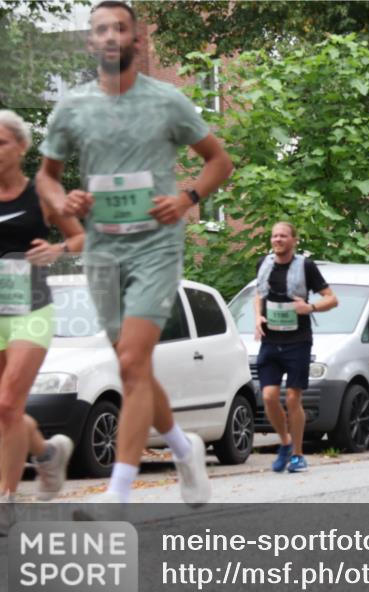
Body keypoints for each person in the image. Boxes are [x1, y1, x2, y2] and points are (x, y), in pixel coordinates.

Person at [36, 0, 234, 506]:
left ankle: (119, 491)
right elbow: (47, 178)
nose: (110, 36)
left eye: (119, 28)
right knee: (135, 368)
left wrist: (188, 198)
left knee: (130, 357)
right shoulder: (73, 108)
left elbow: (219, 161)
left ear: (135, 40)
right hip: (104, 250)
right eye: (101, 29)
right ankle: (182, 447)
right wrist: (68, 207)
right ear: (90, 41)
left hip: (155, 248)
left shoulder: (167, 101)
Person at [0, 109, 85, 506]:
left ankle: (7, 495)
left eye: (0, 142)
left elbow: (82, 239)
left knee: (7, 404)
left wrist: (57, 249)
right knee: (2, 411)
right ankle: (48, 452)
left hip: (32, 309)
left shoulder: (42, 195)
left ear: (20, 146)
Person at [254, 222, 337, 473]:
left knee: (292, 398)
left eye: (283, 236)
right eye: (274, 235)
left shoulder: (305, 266)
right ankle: (286, 443)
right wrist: (257, 317)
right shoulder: (263, 264)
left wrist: (309, 308)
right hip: (270, 340)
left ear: (294, 240)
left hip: (297, 341)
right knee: (268, 396)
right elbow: (259, 294)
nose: (277, 239)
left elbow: (332, 298)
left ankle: (299, 455)